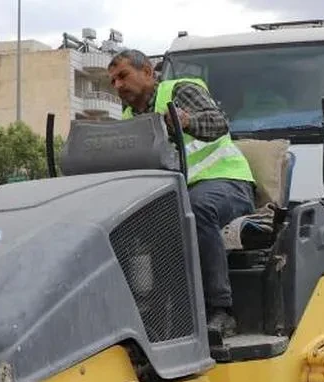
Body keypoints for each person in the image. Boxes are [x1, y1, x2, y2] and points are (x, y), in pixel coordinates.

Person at [107, 49, 255, 342]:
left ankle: (221, 310)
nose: (118, 86)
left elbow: (218, 122)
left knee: (196, 209)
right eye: (112, 82)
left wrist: (186, 122)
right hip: (179, 193)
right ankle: (154, 317)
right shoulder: (128, 117)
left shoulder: (179, 90)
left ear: (148, 72)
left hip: (227, 183)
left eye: (123, 76)